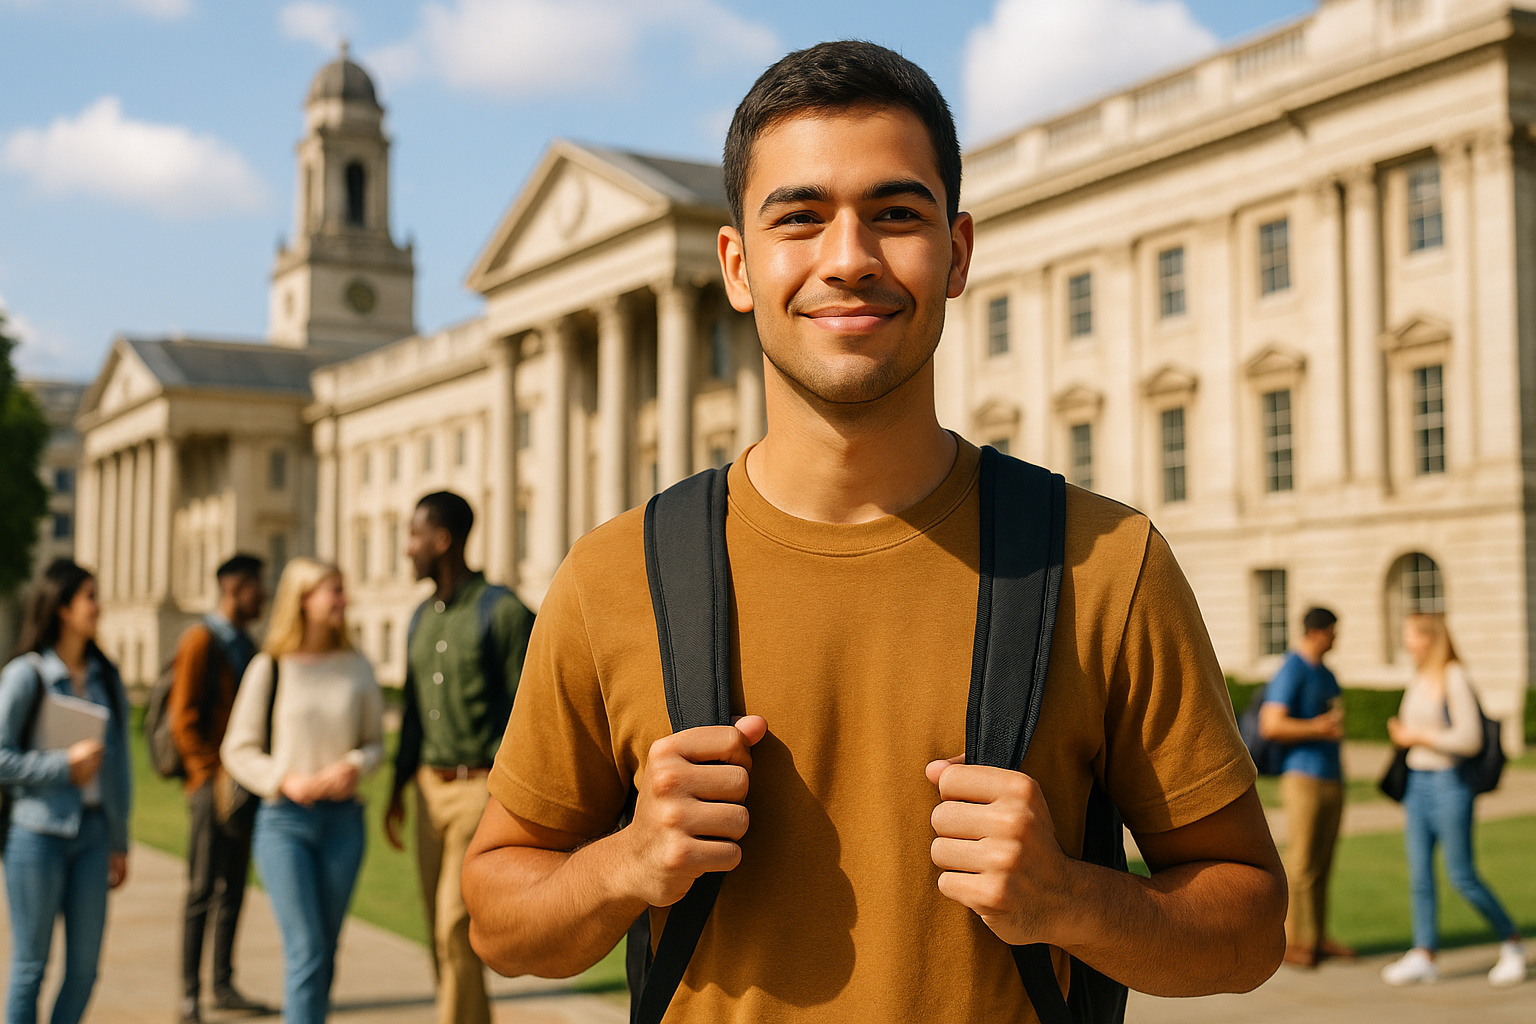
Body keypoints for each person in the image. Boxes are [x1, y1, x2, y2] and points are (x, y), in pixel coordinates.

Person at [461, 40, 1286, 1022]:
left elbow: (1250, 932)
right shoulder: (614, 574)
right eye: (800, 218)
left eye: (895, 216)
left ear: (958, 253)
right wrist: (628, 863)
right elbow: (500, 923)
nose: (848, 259)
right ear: (736, 265)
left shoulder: (1105, 561)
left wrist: (1065, 896)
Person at [384, 491, 534, 1024]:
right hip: (427, 788)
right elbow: (414, 715)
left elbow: (531, 712)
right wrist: (396, 792)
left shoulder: (505, 612)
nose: (407, 549)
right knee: (438, 932)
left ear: (441, 540)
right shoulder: (419, 618)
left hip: (480, 789)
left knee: (455, 923)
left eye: (414, 536)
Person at [221, 558, 384, 1024]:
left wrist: (355, 765)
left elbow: (374, 743)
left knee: (324, 951)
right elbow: (237, 749)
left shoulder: (356, 666)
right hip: (284, 824)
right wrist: (284, 780)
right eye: (333, 590)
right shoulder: (269, 667)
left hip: (343, 824)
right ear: (303, 599)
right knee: (307, 949)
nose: (343, 600)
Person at [0, 559, 132, 1024]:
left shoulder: (107, 676)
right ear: (62, 607)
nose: (99, 606)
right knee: (30, 969)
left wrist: (119, 840)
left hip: (95, 836)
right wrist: (61, 765)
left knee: (84, 971)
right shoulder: (26, 675)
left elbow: (119, 769)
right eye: (90, 597)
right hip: (36, 835)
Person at [1381, 612, 1525, 987]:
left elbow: (1469, 739)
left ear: (1429, 638)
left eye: (1410, 634)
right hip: (1418, 783)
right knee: (1420, 876)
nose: (1406, 641)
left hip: (1449, 783)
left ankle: (1511, 942)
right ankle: (1424, 953)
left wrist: (1419, 736)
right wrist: (1404, 736)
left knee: (1462, 875)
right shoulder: (1419, 677)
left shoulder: (1454, 676)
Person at [170, 553, 274, 1023]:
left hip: (244, 787)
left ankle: (223, 982)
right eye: (258, 587)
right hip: (210, 787)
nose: (265, 595)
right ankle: (189, 993)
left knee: (233, 888)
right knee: (201, 889)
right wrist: (210, 776)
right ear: (236, 588)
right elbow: (183, 718)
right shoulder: (200, 640)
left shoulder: (249, 645)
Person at [1258, 606, 1352, 968]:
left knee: (1324, 862)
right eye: (1333, 631)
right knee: (1301, 863)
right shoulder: (1291, 669)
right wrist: (1317, 728)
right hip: (1302, 777)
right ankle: (1295, 942)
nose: (1336, 638)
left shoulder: (1326, 674)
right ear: (1317, 632)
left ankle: (1318, 936)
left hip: (1331, 776)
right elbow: (1271, 724)